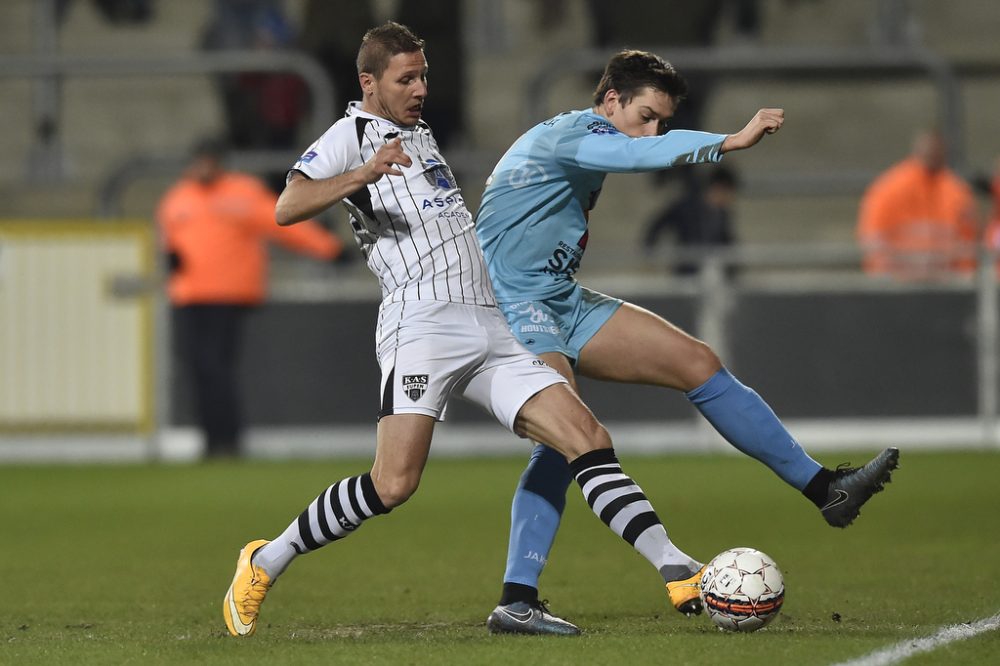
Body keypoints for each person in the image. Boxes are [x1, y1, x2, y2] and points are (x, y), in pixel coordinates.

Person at [224, 22, 717, 638]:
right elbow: (287, 206)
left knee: (585, 436)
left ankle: (674, 569)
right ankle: (265, 559)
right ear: (368, 82)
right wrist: (362, 174)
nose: (421, 88)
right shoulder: (349, 135)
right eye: (406, 78)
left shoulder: (420, 132)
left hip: (488, 321)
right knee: (393, 483)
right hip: (420, 324)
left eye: (424, 75)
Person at [474, 49, 900, 635]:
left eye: (662, 121)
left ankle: (827, 489)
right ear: (611, 100)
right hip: (510, 305)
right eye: (646, 114)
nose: (653, 130)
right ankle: (517, 598)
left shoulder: (590, 137)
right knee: (564, 437)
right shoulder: (571, 136)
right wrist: (729, 140)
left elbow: (630, 149)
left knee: (697, 361)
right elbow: (632, 153)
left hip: (558, 297)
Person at [156, 138, 344, 458]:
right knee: (201, 370)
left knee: (214, 367)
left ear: (219, 162)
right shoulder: (178, 199)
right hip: (190, 296)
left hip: (228, 294)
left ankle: (226, 440)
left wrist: (329, 248)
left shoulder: (242, 192)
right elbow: (169, 238)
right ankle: (212, 439)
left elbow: (284, 223)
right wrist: (170, 257)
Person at [857, 128, 978, 280]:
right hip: (897, 284)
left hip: (944, 283)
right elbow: (872, 241)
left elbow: (967, 248)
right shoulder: (888, 188)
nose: (933, 154)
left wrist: (961, 281)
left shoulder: (956, 192)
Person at [642, 165, 739, 276]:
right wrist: (650, 252)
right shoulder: (687, 207)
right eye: (727, 193)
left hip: (712, 271)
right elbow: (658, 224)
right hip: (687, 271)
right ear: (717, 188)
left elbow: (727, 241)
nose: (728, 198)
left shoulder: (722, 215)